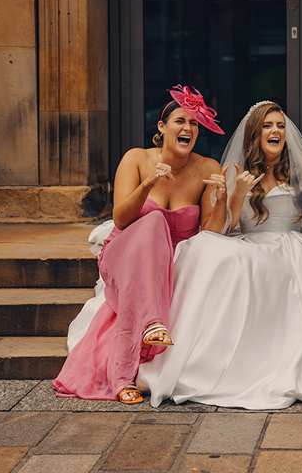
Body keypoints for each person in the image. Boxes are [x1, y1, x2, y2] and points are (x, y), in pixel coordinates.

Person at [136, 101, 302, 410]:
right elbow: (225, 227)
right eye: (267, 126)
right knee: (204, 249)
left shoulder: (299, 165)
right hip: (249, 242)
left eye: (280, 125)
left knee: (250, 263)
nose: (275, 131)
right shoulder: (239, 171)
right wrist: (234, 194)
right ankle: (188, 359)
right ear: (255, 134)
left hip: (292, 245)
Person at [52, 85, 227, 404]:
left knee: (161, 229)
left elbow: (210, 233)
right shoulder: (136, 158)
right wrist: (149, 183)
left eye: (194, 123)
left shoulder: (208, 169)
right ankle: (152, 323)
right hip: (126, 251)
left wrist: (223, 200)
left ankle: (125, 373)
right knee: (155, 220)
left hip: (173, 259)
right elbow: (120, 219)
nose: (188, 128)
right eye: (180, 121)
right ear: (161, 128)